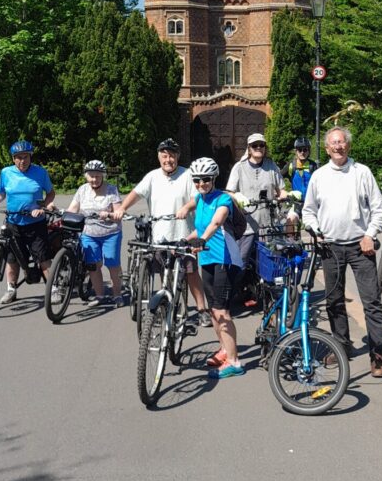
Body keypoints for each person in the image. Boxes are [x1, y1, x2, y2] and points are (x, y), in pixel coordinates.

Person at [301, 125, 382, 377]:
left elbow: (379, 210)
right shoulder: (319, 176)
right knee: (334, 301)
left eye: (342, 142)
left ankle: (377, 354)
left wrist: (370, 235)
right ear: (327, 149)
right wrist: (316, 230)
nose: (338, 147)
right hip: (330, 248)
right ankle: (341, 346)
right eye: (333, 143)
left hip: (360, 247)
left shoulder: (362, 172)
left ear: (348, 146)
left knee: (371, 301)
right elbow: (309, 210)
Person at [113, 138, 211, 326]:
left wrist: (186, 208)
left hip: (184, 234)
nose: (168, 160)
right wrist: (122, 208)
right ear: (159, 157)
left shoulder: (188, 175)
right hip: (160, 235)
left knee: (191, 273)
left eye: (172, 156)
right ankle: (167, 304)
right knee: (164, 272)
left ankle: (201, 309)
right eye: (164, 156)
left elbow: (197, 197)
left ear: (178, 157)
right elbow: (136, 193)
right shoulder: (152, 176)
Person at [180, 157, 245, 379]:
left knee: (221, 311)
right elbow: (200, 228)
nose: (201, 184)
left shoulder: (223, 199)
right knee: (213, 311)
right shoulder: (200, 199)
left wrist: (203, 239)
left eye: (205, 179)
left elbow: (216, 223)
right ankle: (225, 350)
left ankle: (235, 362)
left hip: (225, 261)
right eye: (196, 180)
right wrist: (185, 241)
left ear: (214, 178)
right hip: (207, 260)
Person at [0, 139, 56, 304]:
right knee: (12, 258)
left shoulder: (40, 172)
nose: (22, 161)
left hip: (35, 222)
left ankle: (53, 289)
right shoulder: (6, 173)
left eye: (25, 157)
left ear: (30, 157)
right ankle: (11, 290)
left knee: (43, 258)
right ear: (13, 158)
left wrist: (45, 206)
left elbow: (50, 193)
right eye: (18, 157)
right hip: (13, 221)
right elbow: (1, 194)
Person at [225, 132, 286, 308]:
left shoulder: (271, 165)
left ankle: (268, 297)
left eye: (261, 145)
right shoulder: (240, 167)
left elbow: (280, 189)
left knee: (269, 261)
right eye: (255, 146)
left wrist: (286, 196)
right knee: (241, 261)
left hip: (268, 221)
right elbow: (229, 191)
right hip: (247, 223)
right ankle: (232, 294)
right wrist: (238, 197)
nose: (259, 148)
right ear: (249, 149)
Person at [65, 160, 123, 306]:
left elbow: (119, 211)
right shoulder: (82, 190)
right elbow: (73, 208)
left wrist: (109, 215)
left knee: (112, 264)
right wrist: (64, 214)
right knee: (93, 265)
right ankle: (100, 296)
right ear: (86, 176)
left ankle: (117, 294)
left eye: (97, 176)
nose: (94, 179)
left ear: (103, 176)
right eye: (91, 176)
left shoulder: (111, 190)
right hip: (89, 233)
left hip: (110, 233)